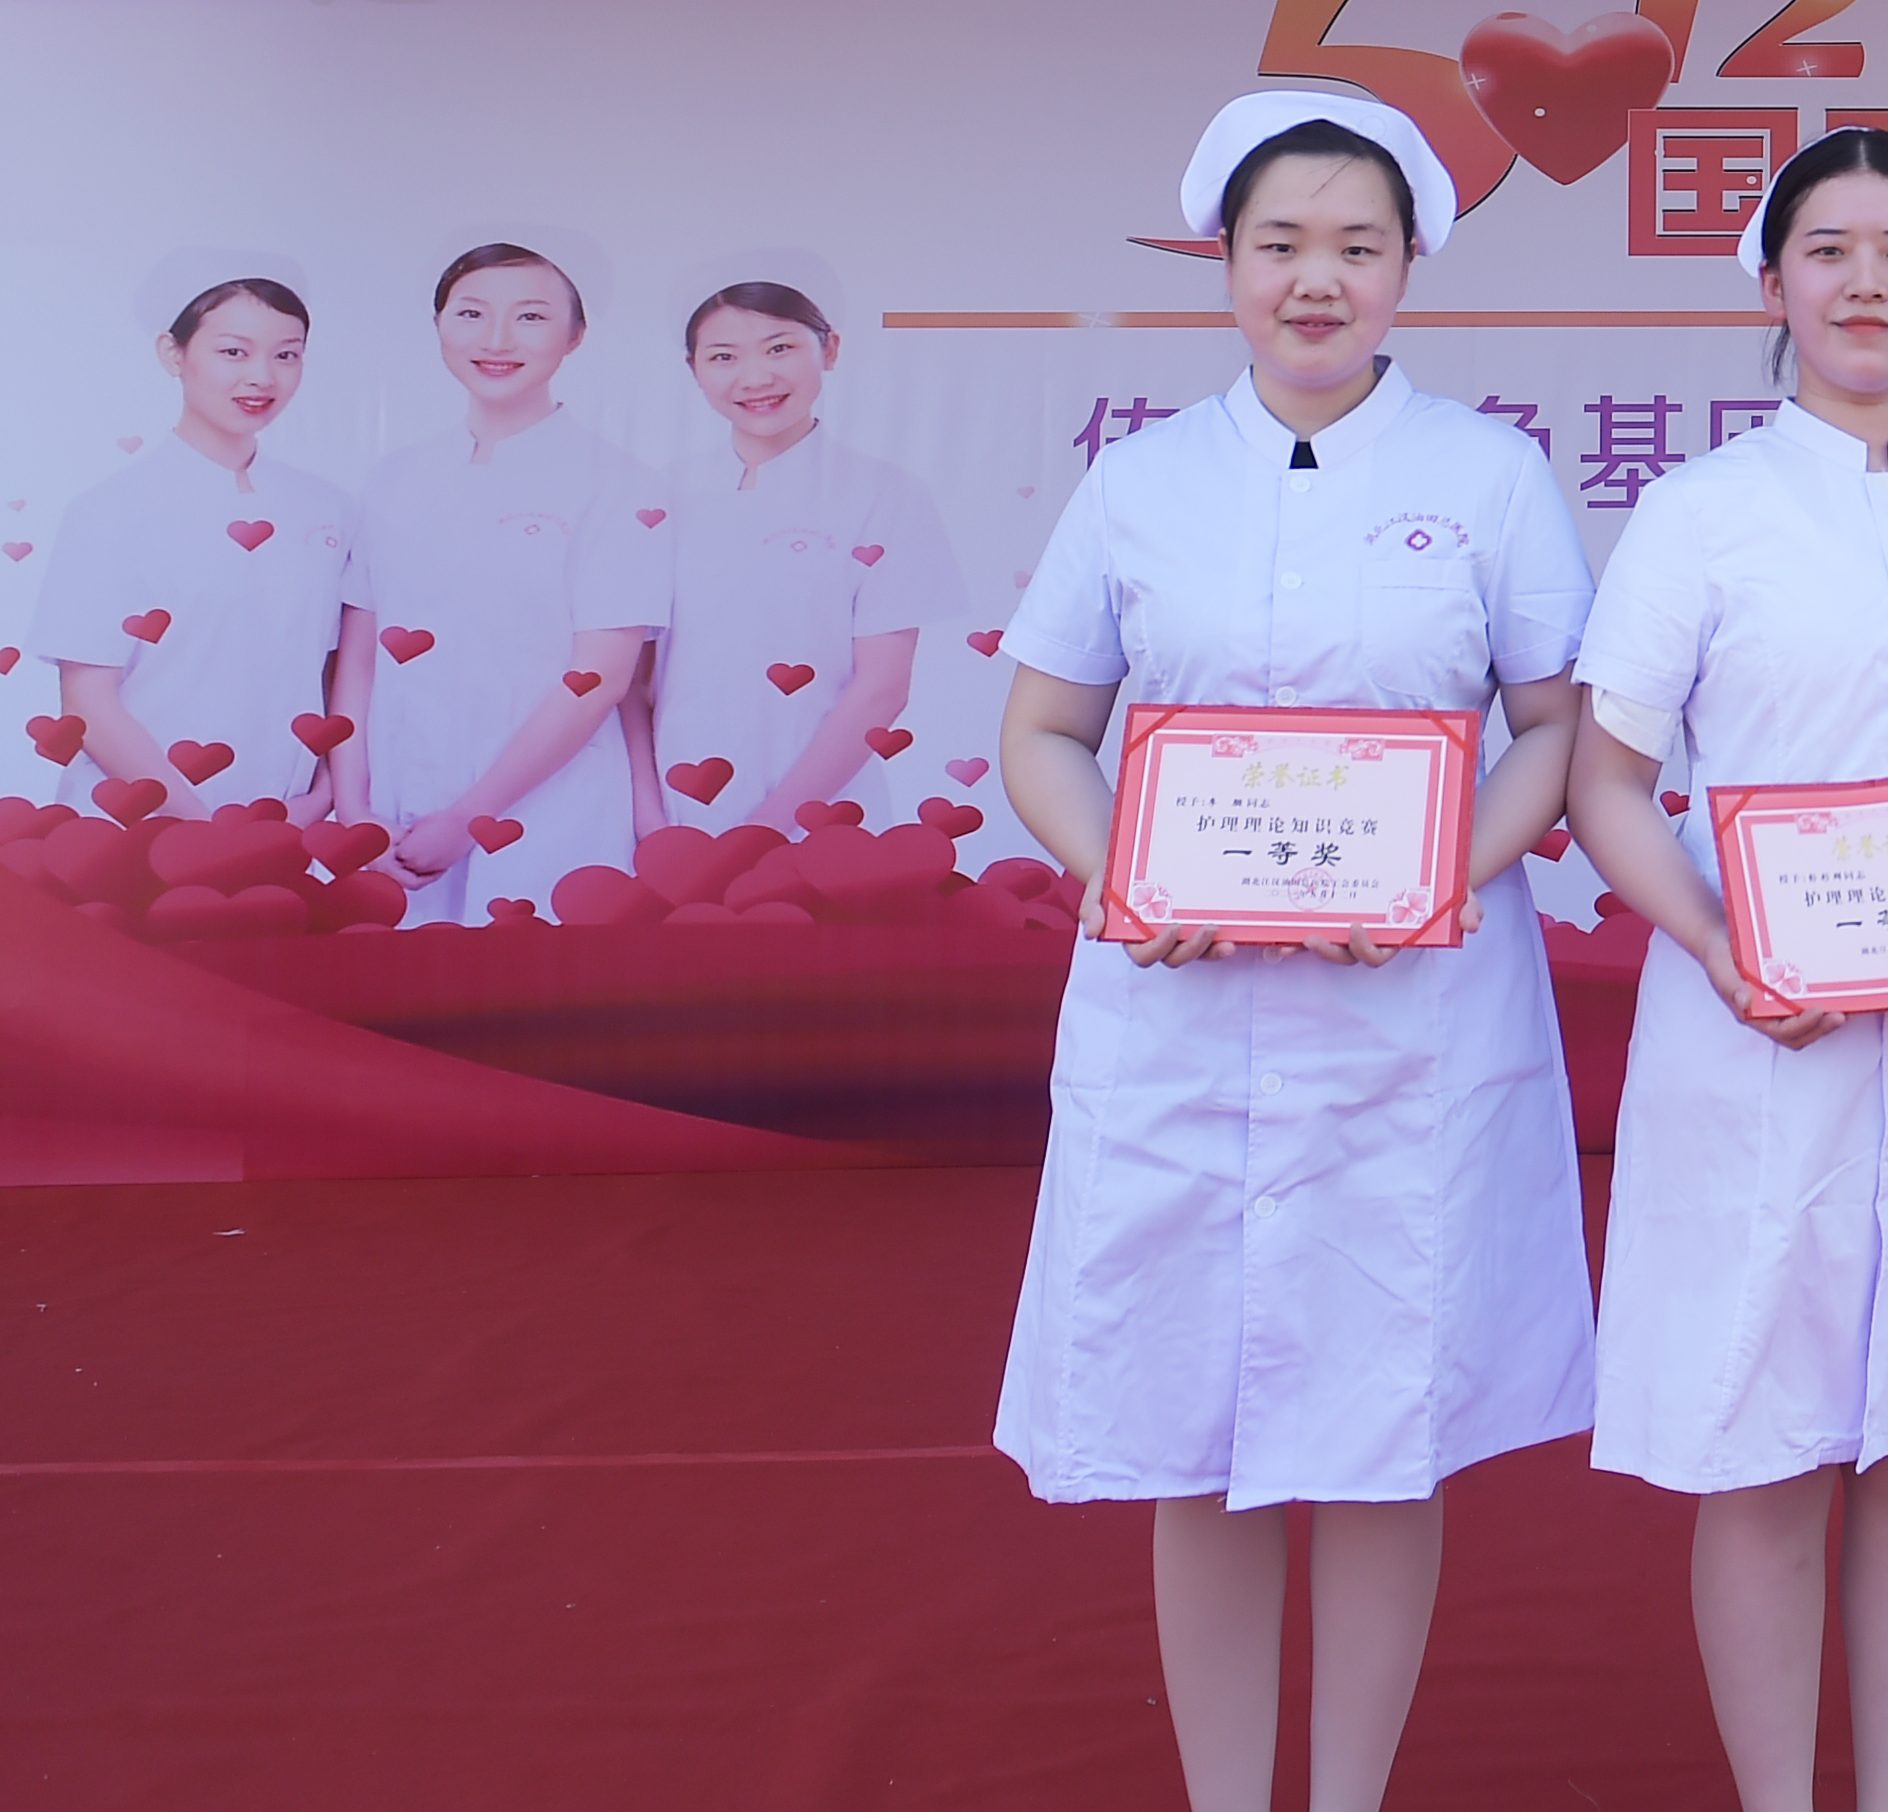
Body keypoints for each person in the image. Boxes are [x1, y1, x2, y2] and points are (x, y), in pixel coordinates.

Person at [990, 92, 1594, 1812]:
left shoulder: (1487, 475)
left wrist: (1433, 877)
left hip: (1415, 1018)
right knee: (1197, 1424)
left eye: (1355, 246)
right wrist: (1123, 873)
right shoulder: (1141, 480)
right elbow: (1043, 733)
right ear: (1224, 263)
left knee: (1389, 1423)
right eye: (1280, 245)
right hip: (1179, 1008)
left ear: (1408, 269)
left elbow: (1556, 731)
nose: (1315, 281)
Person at [1567, 126, 1888, 1812]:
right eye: (1828, 251)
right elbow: (1604, 779)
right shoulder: (1697, 516)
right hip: (1757, 1038)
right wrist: (1720, 946)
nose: (1866, 283)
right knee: (1766, 1446)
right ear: (1772, 284)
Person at [329, 243, 672, 923]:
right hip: (392, 822)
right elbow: (359, 656)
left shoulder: (618, 485)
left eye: (531, 316)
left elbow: (600, 678)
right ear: (438, 325)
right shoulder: (395, 479)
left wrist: (468, 819)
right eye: (472, 313)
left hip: (548, 819)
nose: (496, 340)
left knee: (533, 978)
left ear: (575, 335)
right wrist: (354, 810)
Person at [630, 281, 964, 837]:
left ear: (829, 349)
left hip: (822, 820)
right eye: (724, 357)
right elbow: (632, 683)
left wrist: (768, 829)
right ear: (694, 369)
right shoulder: (659, 497)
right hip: (672, 823)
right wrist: (647, 815)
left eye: (779, 348)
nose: (755, 377)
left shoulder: (884, 495)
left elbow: (881, 690)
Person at [26, 278, 351, 819]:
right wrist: (204, 831)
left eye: (286, 355)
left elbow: (334, 675)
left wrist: (321, 798)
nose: (262, 376)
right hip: (134, 828)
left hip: (281, 828)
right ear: (172, 353)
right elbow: (88, 702)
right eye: (233, 352)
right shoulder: (110, 512)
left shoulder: (328, 510)